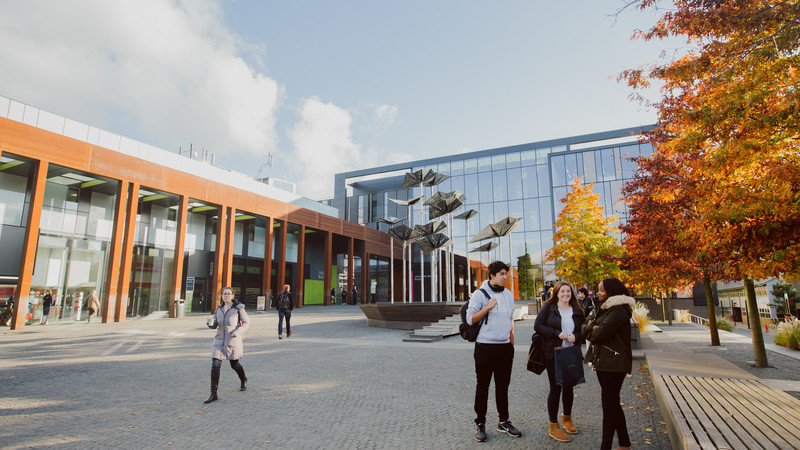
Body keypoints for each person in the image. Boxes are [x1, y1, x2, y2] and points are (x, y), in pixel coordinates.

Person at [466, 261, 522, 442]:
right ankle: (480, 423)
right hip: (485, 347)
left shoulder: (507, 294)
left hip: (505, 348)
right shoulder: (479, 294)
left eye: (506, 273)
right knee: (483, 386)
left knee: (503, 387)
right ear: (492, 275)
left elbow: (510, 320)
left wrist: (511, 343)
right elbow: (470, 319)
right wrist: (487, 307)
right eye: (501, 274)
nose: (505, 277)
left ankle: (503, 421)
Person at [582, 277, 634, 450]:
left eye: (602, 290)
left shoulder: (618, 310)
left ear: (612, 291)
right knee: (613, 404)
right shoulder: (607, 308)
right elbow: (589, 328)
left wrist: (591, 328)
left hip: (614, 362)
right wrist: (591, 328)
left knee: (609, 406)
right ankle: (624, 444)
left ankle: (606, 446)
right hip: (605, 361)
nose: (598, 293)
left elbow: (599, 334)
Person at [534, 281, 585, 442]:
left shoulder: (577, 310)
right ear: (556, 293)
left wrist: (576, 336)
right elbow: (538, 326)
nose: (565, 294)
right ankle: (553, 425)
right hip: (553, 354)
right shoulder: (549, 308)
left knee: (569, 386)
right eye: (562, 291)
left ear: (572, 293)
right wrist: (557, 333)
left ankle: (567, 418)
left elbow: (583, 331)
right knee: (556, 388)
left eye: (568, 292)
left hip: (570, 352)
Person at [204, 287, 249, 403]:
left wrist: (237, 332)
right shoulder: (218, 308)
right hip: (219, 340)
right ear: (222, 296)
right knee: (215, 365)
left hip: (232, 340)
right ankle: (213, 394)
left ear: (233, 296)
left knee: (234, 365)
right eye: (224, 294)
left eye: (229, 294)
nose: (226, 296)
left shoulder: (238, 308)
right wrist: (210, 323)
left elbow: (246, 322)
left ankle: (243, 379)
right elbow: (215, 324)